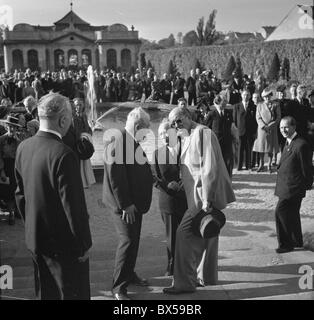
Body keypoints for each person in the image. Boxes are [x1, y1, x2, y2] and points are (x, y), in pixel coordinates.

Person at [14, 92, 92, 300]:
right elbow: (73, 207)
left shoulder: (23, 148)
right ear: (64, 119)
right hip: (64, 247)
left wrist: (33, 226)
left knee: (44, 293)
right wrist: (83, 244)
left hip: (36, 241)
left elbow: (20, 196)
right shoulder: (64, 154)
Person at [163, 106, 235, 294]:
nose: (176, 125)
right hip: (194, 195)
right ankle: (206, 277)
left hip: (202, 197)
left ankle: (184, 283)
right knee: (206, 233)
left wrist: (207, 199)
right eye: (173, 123)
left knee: (183, 234)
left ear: (188, 116)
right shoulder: (186, 134)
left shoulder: (203, 133)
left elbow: (209, 168)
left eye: (179, 120)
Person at [102, 107, 153, 300]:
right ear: (138, 126)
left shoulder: (129, 138)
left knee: (134, 239)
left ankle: (129, 274)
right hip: (125, 205)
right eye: (147, 128)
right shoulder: (119, 141)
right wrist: (126, 204)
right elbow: (115, 177)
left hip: (134, 202)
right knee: (127, 241)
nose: (148, 132)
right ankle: (118, 288)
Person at [151, 119, 187, 276]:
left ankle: (187, 264)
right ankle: (172, 266)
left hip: (186, 198)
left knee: (186, 234)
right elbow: (155, 179)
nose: (164, 135)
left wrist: (183, 184)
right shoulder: (157, 154)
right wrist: (168, 187)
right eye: (160, 133)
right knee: (171, 237)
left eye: (166, 131)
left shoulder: (185, 148)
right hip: (168, 201)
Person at [274, 116, 313, 253]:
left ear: (293, 127)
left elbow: (307, 168)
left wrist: (306, 185)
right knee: (293, 214)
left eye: (286, 127)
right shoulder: (289, 142)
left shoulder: (301, 144)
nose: (283, 130)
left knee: (281, 212)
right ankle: (297, 241)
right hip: (287, 185)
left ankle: (286, 244)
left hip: (293, 187)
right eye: (281, 128)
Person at [253, 89, 281, 173]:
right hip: (262, 129)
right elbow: (258, 117)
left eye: (268, 95)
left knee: (270, 147)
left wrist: (272, 125)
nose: (267, 98)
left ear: (270, 96)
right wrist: (263, 126)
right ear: (263, 97)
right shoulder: (259, 105)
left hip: (272, 128)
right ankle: (261, 164)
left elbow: (279, 117)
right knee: (261, 147)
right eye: (265, 96)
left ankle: (269, 165)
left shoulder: (276, 104)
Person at [206, 95, 234, 177]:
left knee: (228, 161)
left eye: (226, 101)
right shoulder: (212, 114)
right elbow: (206, 128)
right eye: (224, 101)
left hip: (227, 141)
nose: (226, 103)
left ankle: (228, 179)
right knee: (217, 161)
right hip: (216, 142)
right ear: (218, 102)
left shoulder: (229, 113)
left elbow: (232, 127)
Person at [233, 89, 257, 171]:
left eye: (247, 95)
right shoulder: (237, 106)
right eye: (244, 95)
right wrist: (237, 130)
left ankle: (248, 166)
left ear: (250, 96)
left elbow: (255, 120)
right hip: (240, 130)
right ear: (241, 96)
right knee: (240, 149)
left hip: (250, 131)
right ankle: (239, 166)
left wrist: (254, 131)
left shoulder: (253, 106)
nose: (246, 96)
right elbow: (234, 120)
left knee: (249, 149)